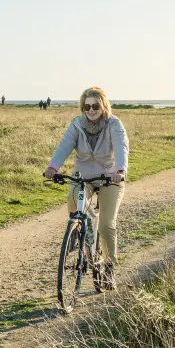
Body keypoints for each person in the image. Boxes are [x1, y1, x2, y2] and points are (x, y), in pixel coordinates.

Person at [44, 86, 128, 289]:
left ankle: (108, 268)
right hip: (83, 177)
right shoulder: (77, 125)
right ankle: (79, 231)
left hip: (110, 178)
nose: (90, 110)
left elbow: (121, 146)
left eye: (95, 106)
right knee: (73, 198)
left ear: (103, 105)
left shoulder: (114, 124)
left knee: (107, 225)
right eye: (86, 106)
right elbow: (64, 145)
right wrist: (53, 167)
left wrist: (120, 170)